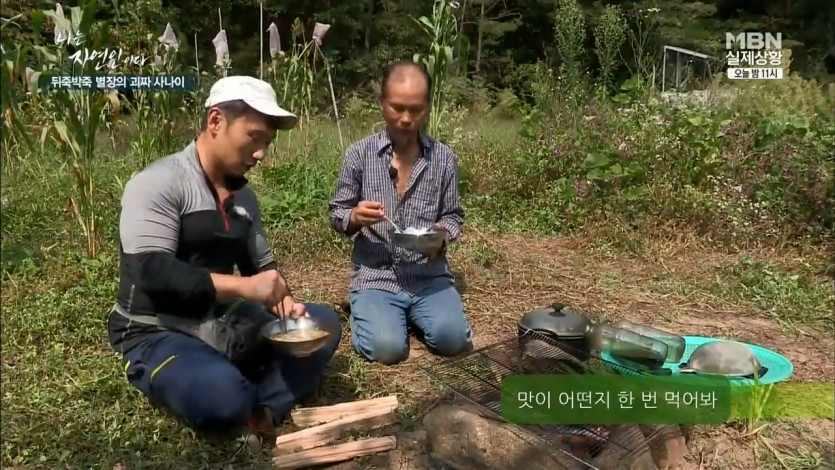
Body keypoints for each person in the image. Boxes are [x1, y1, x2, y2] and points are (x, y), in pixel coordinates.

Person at [108, 75, 342, 446]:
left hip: (219, 319)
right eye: (254, 137)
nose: (261, 153)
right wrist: (245, 288)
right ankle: (236, 393)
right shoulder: (158, 183)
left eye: (268, 141)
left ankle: (259, 409)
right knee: (222, 397)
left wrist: (286, 305)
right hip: (155, 329)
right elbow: (151, 271)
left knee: (324, 323)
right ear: (216, 121)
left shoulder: (244, 200)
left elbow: (262, 269)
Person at [328, 61, 473, 365]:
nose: (406, 119)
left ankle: (403, 316)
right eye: (397, 108)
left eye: (416, 110)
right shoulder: (358, 155)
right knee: (387, 350)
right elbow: (338, 213)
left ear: (428, 108)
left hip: (428, 276)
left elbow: (453, 216)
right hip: (376, 275)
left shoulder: (443, 159)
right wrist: (355, 216)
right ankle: (369, 310)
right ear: (382, 103)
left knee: (453, 340)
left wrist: (440, 238)